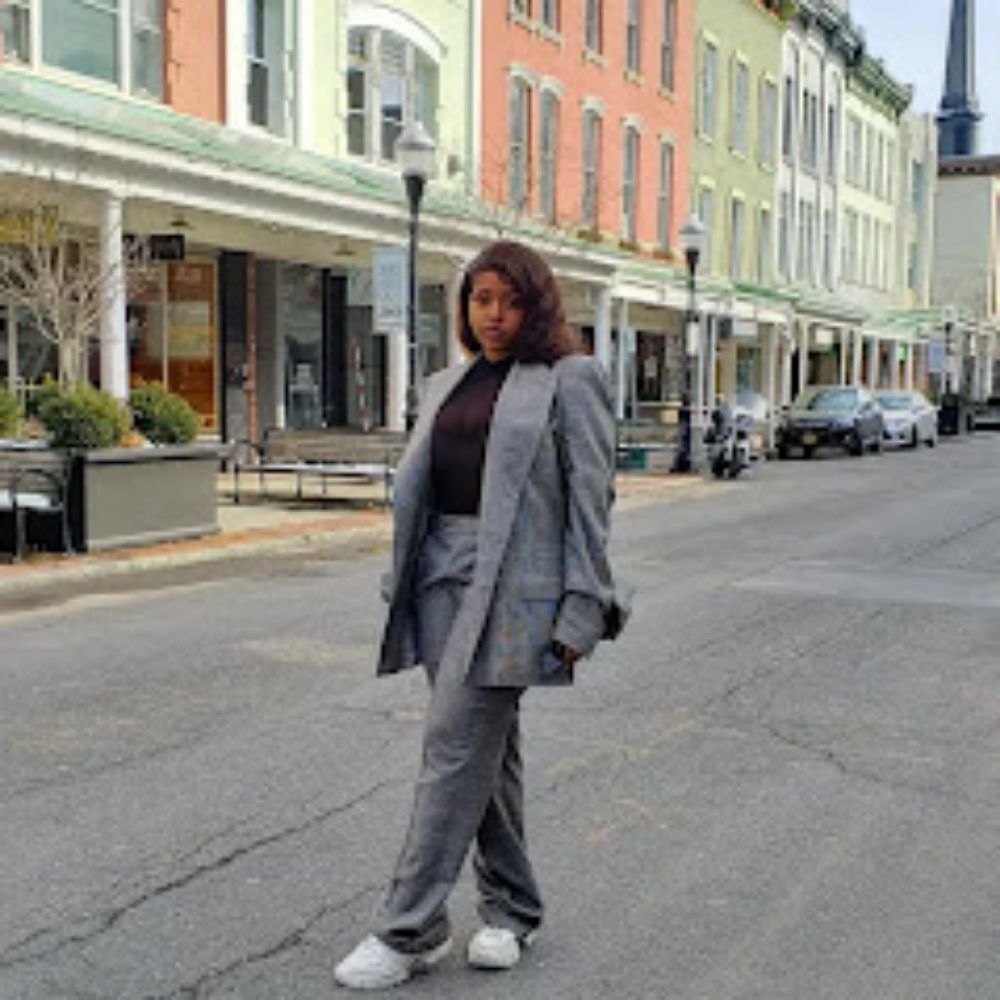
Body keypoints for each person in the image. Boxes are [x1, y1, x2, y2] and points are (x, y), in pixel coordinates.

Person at [334, 240, 627, 991]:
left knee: (454, 746)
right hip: (439, 580)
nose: (494, 314)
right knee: (485, 751)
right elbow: (425, 490)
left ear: (538, 305)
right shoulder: (446, 383)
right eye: (481, 298)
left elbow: (590, 502)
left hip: (514, 590)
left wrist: (582, 608)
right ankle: (513, 908)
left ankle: (409, 929)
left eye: (510, 300)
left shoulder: (570, 379)